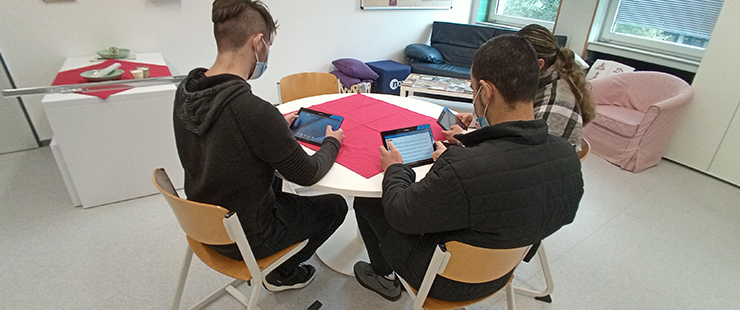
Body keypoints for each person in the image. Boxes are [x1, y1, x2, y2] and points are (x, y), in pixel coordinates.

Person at [351, 35, 584, 302]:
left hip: (444, 280)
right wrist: (470, 141)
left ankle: (384, 276)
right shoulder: (566, 154)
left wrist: (396, 169)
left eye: (472, 88)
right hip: (506, 269)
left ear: (485, 92)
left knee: (369, 202)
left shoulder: (463, 167)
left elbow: (401, 214)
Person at [172, 0, 347, 292]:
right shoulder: (252, 111)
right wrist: (332, 141)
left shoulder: (188, 90)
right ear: (258, 43)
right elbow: (307, 175)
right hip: (247, 235)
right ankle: (282, 273)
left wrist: (274, 124)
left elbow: (227, 132)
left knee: (275, 181)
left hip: (204, 223)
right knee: (335, 206)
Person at [443, 25, 594, 151]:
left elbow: (521, 158)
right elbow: (512, 122)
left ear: (539, 65)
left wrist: (465, 139)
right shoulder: (539, 82)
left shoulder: (556, 106)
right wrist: (481, 120)